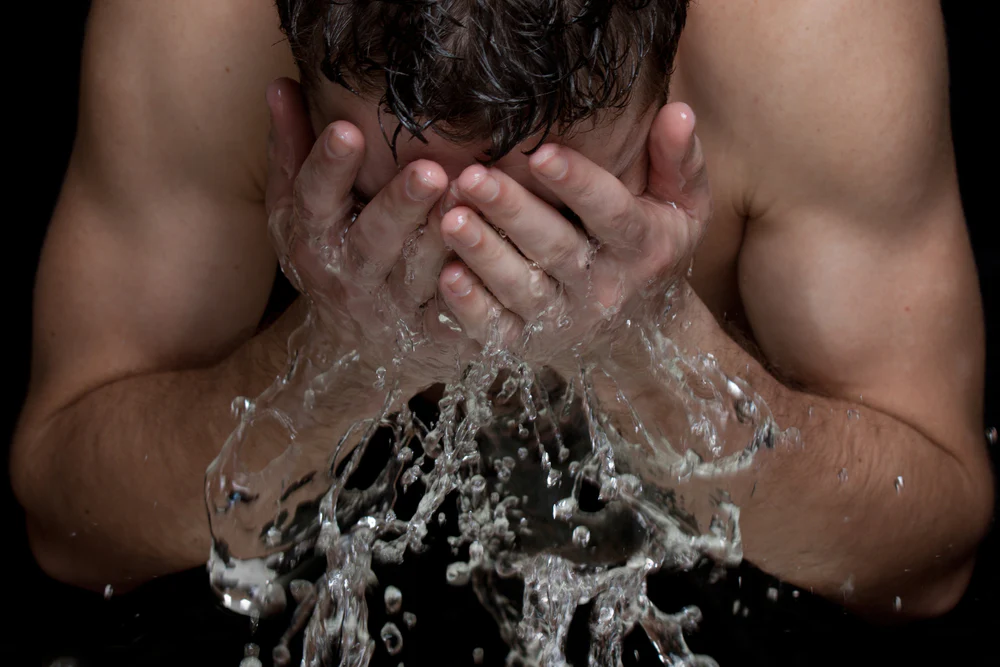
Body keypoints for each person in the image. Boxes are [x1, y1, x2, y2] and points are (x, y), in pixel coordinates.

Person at [10, 0, 992, 640]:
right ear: (293, 63)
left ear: (672, 52)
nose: (484, 269)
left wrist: (652, 354)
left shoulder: (817, 33)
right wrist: (341, 359)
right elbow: (69, 534)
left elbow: (930, 556)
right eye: (403, 201)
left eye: (560, 213)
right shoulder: (191, 30)